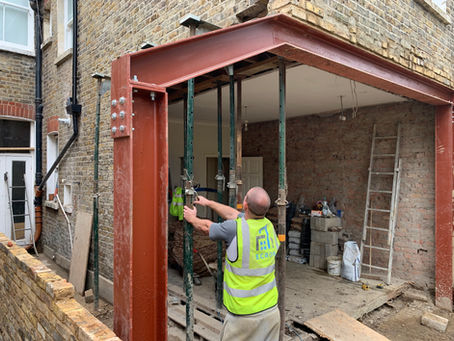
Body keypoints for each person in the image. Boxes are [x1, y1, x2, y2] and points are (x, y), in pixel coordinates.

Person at [183, 186, 280, 341]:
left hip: (244, 317)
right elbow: (232, 213)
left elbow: (206, 227)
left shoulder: (235, 229)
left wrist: (192, 218)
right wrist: (208, 203)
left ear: (246, 205)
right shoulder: (268, 225)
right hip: (271, 313)